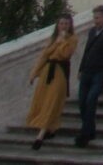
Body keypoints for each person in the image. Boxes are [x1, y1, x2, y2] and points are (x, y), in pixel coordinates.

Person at [26, 14, 78, 149]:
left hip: (60, 71)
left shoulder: (72, 39)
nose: (64, 26)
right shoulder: (53, 38)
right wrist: (34, 72)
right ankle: (51, 129)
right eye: (61, 23)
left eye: (66, 23)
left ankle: (40, 136)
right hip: (47, 71)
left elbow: (64, 54)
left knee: (53, 100)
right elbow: (45, 55)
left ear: (70, 25)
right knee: (43, 99)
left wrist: (62, 42)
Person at [74, 5, 103, 147]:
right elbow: (87, 50)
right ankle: (90, 129)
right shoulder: (92, 32)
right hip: (88, 70)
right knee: (82, 101)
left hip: (100, 71)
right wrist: (81, 68)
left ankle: (85, 133)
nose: (95, 21)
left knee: (91, 99)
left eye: (98, 18)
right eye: (94, 18)